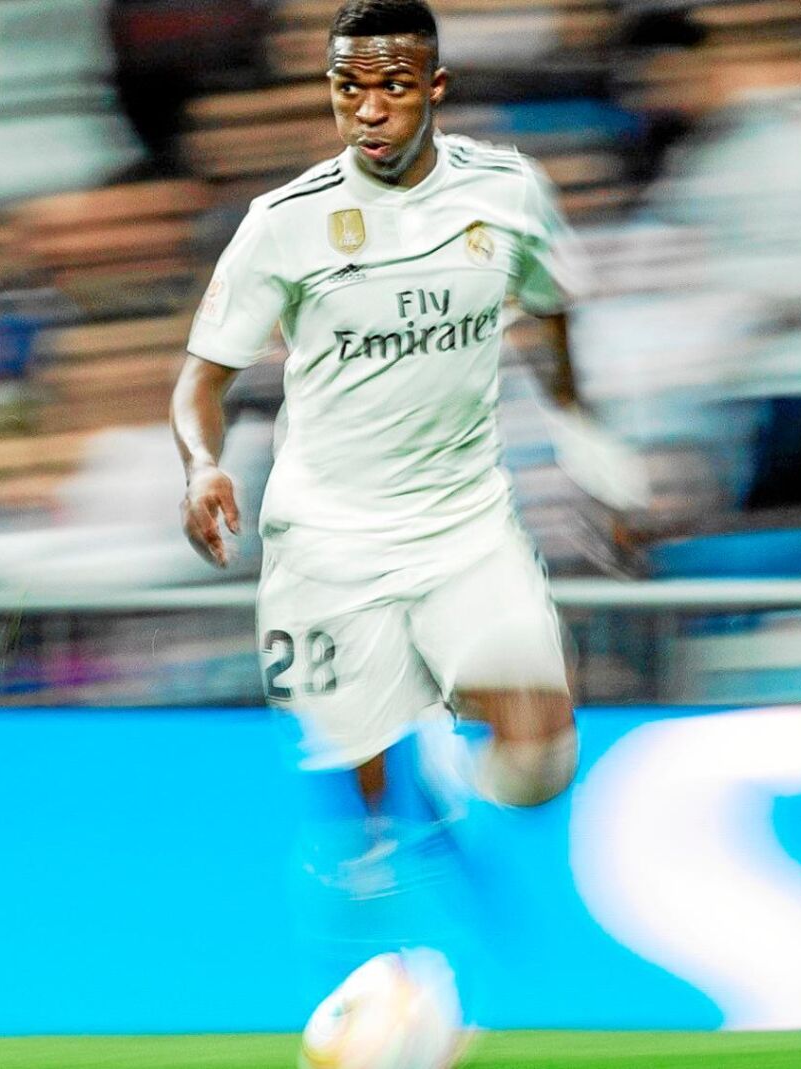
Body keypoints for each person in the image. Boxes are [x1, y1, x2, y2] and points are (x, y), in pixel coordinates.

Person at [169, 0, 586, 817]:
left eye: (392, 86)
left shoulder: (508, 191)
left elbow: (552, 302)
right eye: (346, 88)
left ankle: (443, 772)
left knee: (541, 759)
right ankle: (394, 847)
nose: (367, 109)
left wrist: (578, 421)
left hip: (463, 523)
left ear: (436, 86)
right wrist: (201, 466)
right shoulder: (284, 223)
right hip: (331, 538)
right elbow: (200, 380)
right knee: (364, 793)